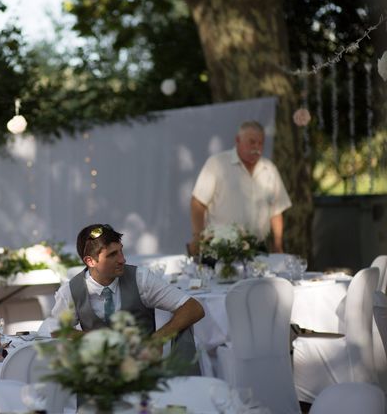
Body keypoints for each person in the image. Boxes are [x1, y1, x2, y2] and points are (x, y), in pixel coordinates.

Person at [49, 223, 204, 346]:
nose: (122, 260)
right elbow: (57, 330)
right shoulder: (70, 291)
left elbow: (193, 308)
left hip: (144, 371)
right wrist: (94, 339)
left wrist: (157, 339)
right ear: (90, 261)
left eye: (121, 251)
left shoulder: (141, 278)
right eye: (112, 255)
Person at [189, 120, 291, 255]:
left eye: (261, 143)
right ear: (237, 140)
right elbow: (198, 203)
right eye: (252, 142)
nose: (257, 148)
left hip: (258, 250)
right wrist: (198, 237)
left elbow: (276, 211)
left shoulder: (269, 169)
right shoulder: (217, 163)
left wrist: (278, 245)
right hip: (222, 249)